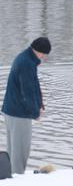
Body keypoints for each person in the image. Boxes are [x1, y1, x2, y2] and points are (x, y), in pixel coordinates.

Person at [1, 37, 51, 174]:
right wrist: (35, 113)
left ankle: (10, 176)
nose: (44, 57)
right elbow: (27, 92)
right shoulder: (27, 64)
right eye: (44, 54)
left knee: (13, 149)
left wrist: (40, 104)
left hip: (10, 110)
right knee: (20, 151)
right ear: (39, 51)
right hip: (19, 113)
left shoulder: (24, 57)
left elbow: (33, 86)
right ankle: (18, 179)